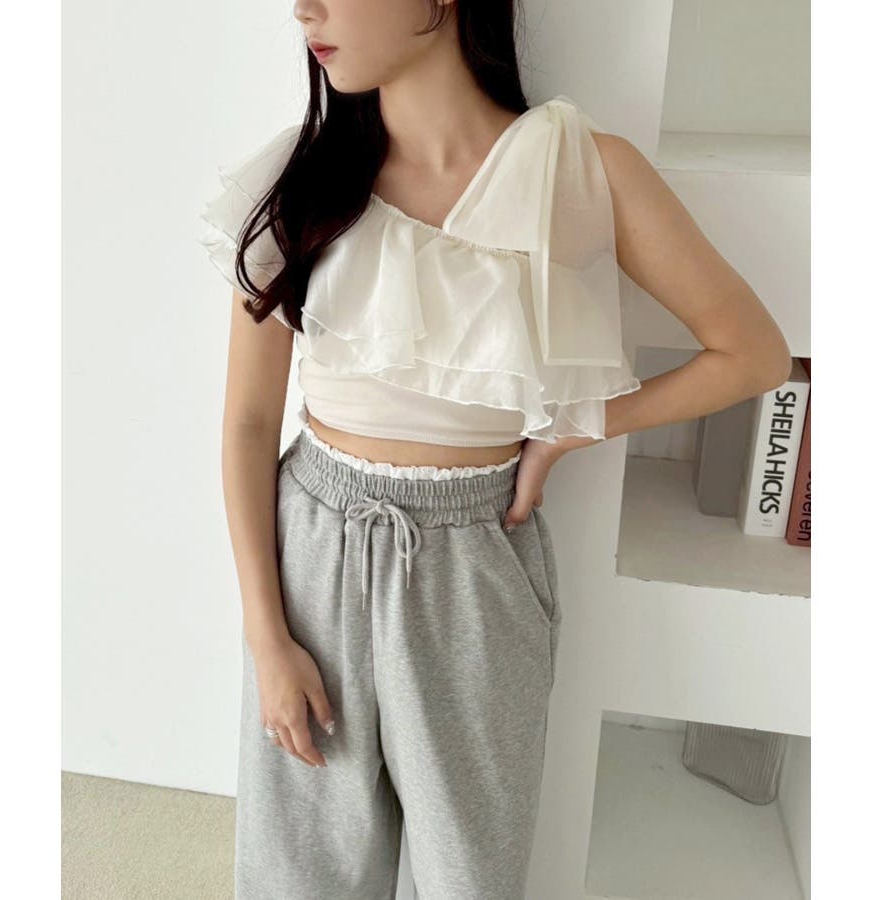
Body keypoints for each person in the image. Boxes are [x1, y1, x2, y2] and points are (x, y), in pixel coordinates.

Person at [198, 2, 793, 897]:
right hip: (312, 554)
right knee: (299, 875)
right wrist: (267, 636)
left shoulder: (582, 171)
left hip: (475, 567)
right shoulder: (302, 177)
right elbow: (249, 425)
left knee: (470, 875)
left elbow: (752, 353)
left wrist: (574, 430)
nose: (304, 8)